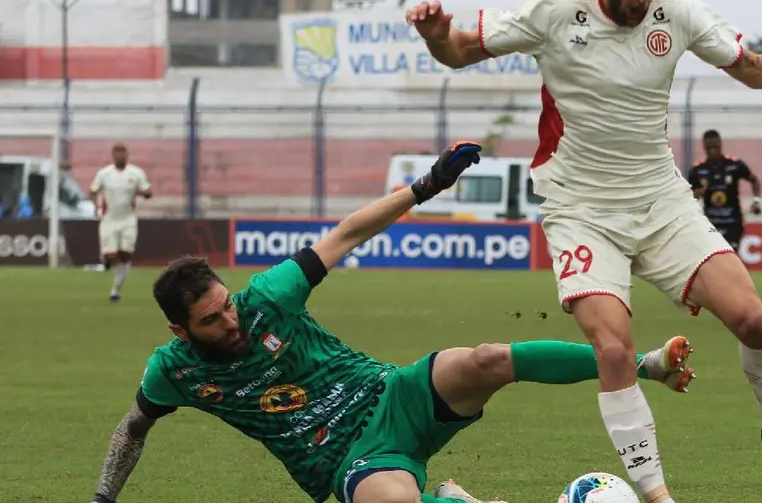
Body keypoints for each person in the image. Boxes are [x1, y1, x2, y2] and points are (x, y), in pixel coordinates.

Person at [405, 0, 762, 500]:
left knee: (753, 319)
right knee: (614, 347)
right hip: (580, 209)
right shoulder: (554, 10)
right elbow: (456, 52)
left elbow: (751, 69)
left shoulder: (677, 11)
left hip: (660, 200)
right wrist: (435, 34)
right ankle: (659, 497)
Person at [88, 142, 696, 503]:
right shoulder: (173, 371)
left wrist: (425, 185)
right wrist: (102, 497)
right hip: (347, 459)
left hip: (391, 393)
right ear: (181, 332)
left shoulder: (267, 297)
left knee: (483, 359)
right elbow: (132, 428)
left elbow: (346, 233)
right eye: (212, 320)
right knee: (394, 500)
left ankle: (643, 365)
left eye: (226, 304)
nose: (231, 319)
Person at [89, 143, 152, 301]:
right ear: (112, 155)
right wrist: (95, 206)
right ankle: (107, 262)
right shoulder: (104, 174)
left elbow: (147, 191)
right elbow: (93, 190)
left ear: (127, 155)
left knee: (126, 254)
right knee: (111, 256)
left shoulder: (136, 173)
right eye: (117, 152)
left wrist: (145, 192)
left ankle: (115, 291)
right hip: (109, 220)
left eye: (123, 152)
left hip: (128, 220)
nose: (120, 155)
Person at [687, 129, 762, 251]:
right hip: (710, 224)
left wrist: (756, 201)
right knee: (712, 260)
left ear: (721, 145)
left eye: (715, 147)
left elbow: (754, 180)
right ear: (704, 147)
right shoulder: (697, 170)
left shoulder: (734, 165)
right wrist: (696, 194)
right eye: (709, 148)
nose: (712, 151)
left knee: (730, 255)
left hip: (732, 222)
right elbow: (687, 197)